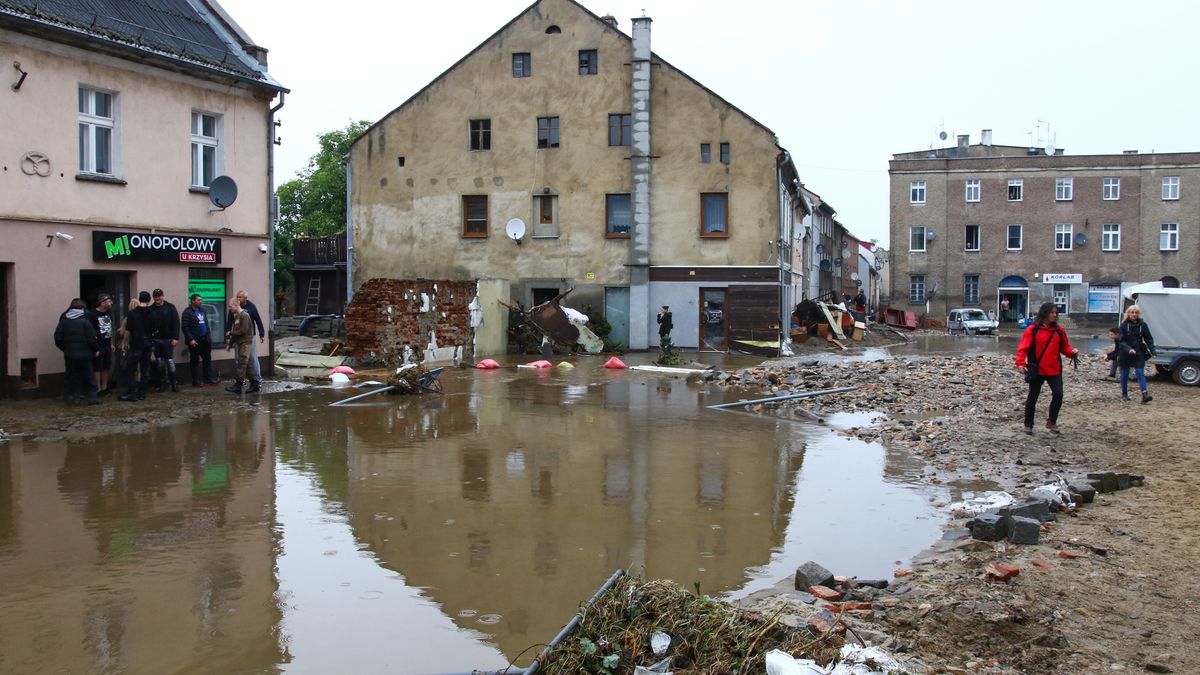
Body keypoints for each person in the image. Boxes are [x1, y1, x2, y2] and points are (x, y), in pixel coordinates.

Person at [1015, 302, 1079, 435]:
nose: (1055, 315)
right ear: (1044, 313)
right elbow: (1023, 348)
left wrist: (1071, 352)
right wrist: (1020, 363)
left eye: (1056, 313)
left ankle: (1052, 421)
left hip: (1054, 368)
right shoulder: (1032, 329)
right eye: (1052, 312)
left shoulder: (1059, 331)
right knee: (1033, 397)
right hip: (1037, 368)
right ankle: (1028, 424)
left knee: (1058, 394)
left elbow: (1064, 347)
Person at [54, 298, 101, 405]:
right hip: (85, 354)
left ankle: (73, 397)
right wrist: (96, 349)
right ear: (82, 308)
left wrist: (65, 348)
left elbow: (58, 338)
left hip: (70, 354)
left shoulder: (64, 321)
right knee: (89, 376)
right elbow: (92, 339)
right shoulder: (85, 322)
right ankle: (93, 398)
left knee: (71, 375)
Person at [225, 290, 265, 391]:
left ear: (245, 298)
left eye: (240, 297)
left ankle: (254, 381)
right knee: (241, 361)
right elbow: (230, 323)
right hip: (240, 340)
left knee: (249, 360)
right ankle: (248, 382)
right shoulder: (236, 313)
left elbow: (254, 323)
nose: (238, 299)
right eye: (237, 297)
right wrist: (229, 340)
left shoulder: (247, 312)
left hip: (248, 340)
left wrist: (262, 334)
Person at [119, 292, 153, 402]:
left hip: (136, 345)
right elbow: (156, 329)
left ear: (140, 299)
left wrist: (124, 342)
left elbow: (128, 331)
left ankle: (133, 394)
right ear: (149, 300)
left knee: (131, 370)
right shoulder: (152, 313)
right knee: (144, 370)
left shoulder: (132, 314)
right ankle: (142, 394)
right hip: (147, 345)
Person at [1117, 304, 1156, 403]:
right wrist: (1128, 349)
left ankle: (1144, 394)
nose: (1134, 314)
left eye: (1136, 313)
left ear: (1139, 314)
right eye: (1132, 312)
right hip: (1125, 353)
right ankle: (1125, 393)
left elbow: (1149, 339)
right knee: (1124, 374)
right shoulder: (1123, 325)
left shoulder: (1143, 325)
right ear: (1128, 314)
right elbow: (1121, 341)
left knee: (1140, 373)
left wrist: (1152, 350)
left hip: (1138, 352)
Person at [147, 289, 181, 392]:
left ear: (163, 296)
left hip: (168, 339)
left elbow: (176, 323)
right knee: (159, 362)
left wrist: (175, 337)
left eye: (159, 296)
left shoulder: (170, 307)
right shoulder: (151, 309)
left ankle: (174, 383)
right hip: (156, 340)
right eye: (155, 296)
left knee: (170, 361)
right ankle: (162, 382)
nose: (157, 298)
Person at [181, 293, 218, 387]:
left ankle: (208, 380)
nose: (201, 301)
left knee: (207, 360)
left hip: (205, 339)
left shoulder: (202, 311)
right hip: (195, 340)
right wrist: (190, 339)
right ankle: (196, 381)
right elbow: (185, 327)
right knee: (195, 361)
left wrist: (209, 336)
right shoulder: (187, 312)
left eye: (201, 300)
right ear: (193, 301)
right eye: (199, 300)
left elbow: (206, 324)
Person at [86, 293, 115, 395]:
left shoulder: (109, 312)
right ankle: (97, 388)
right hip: (98, 344)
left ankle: (104, 387)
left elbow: (110, 328)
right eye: (109, 301)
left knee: (106, 366)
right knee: (97, 366)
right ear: (102, 303)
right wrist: (94, 347)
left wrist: (111, 343)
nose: (111, 303)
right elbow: (90, 332)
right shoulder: (92, 314)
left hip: (107, 343)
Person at [225, 297, 254, 394]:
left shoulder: (244, 315)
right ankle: (255, 383)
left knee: (242, 363)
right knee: (247, 365)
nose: (230, 309)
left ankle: (239, 385)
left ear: (235, 305)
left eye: (230, 307)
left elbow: (243, 330)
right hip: (240, 343)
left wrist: (231, 332)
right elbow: (236, 332)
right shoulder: (237, 317)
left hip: (246, 343)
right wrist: (230, 344)